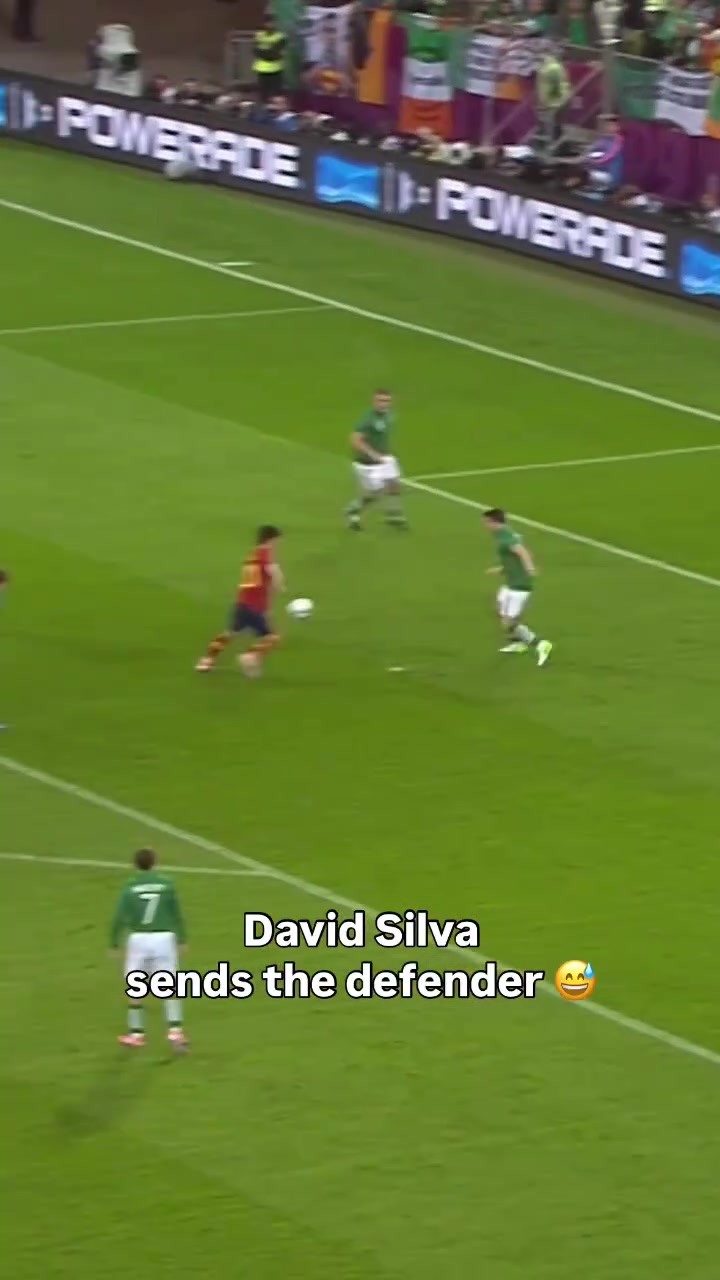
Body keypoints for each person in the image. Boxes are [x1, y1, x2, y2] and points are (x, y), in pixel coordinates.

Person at [110, 848, 188, 1050]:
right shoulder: (167, 885)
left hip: (139, 938)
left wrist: (114, 942)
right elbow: (176, 913)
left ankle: (136, 1034)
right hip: (164, 938)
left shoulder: (129, 887)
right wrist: (182, 938)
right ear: (155, 862)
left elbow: (119, 917)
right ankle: (175, 1031)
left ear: (135, 865)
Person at [195, 525, 284, 677]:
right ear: (271, 539)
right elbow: (273, 571)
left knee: (229, 633)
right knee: (272, 638)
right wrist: (279, 583)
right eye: (277, 541)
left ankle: (206, 660)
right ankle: (251, 655)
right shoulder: (265, 553)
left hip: (242, 602)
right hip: (255, 605)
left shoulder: (253, 554)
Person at [482, 508, 553, 667]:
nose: (484, 525)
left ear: (493, 522)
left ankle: (540, 644)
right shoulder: (504, 534)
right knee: (501, 609)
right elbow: (514, 557)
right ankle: (518, 643)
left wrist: (530, 568)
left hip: (518, 586)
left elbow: (523, 553)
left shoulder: (506, 537)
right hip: (510, 583)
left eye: (486, 522)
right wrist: (501, 569)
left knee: (508, 622)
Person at [346, 391, 407, 531]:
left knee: (394, 483)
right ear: (374, 402)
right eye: (380, 400)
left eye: (387, 401)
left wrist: (384, 452)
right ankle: (353, 511)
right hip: (367, 464)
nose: (383, 404)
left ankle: (394, 514)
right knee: (374, 495)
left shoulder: (389, 415)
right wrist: (372, 454)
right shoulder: (368, 420)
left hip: (385, 458)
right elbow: (355, 440)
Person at [253, 16, 286, 101]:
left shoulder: (280, 37)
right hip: (262, 68)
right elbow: (256, 51)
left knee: (276, 94)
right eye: (268, 23)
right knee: (263, 94)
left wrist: (265, 51)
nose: (270, 25)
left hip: (276, 68)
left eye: (272, 23)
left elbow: (276, 53)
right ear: (264, 24)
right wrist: (269, 51)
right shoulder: (259, 35)